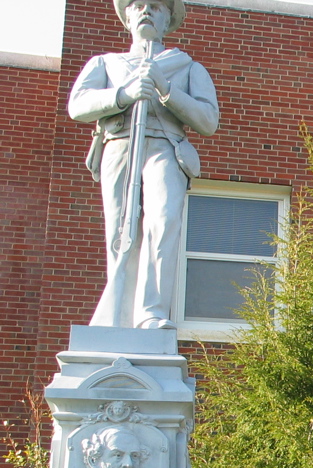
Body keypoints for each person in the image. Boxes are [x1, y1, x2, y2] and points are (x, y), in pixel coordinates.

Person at [68, 0, 219, 329]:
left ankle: (150, 312)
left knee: (163, 221)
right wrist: (122, 94)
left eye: (156, 6)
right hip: (120, 145)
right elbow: (77, 105)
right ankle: (118, 315)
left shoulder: (187, 66)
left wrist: (166, 90)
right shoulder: (107, 63)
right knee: (121, 227)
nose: (147, 10)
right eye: (138, 5)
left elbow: (208, 120)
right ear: (127, 17)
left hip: (164, 146)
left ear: (169, 19)